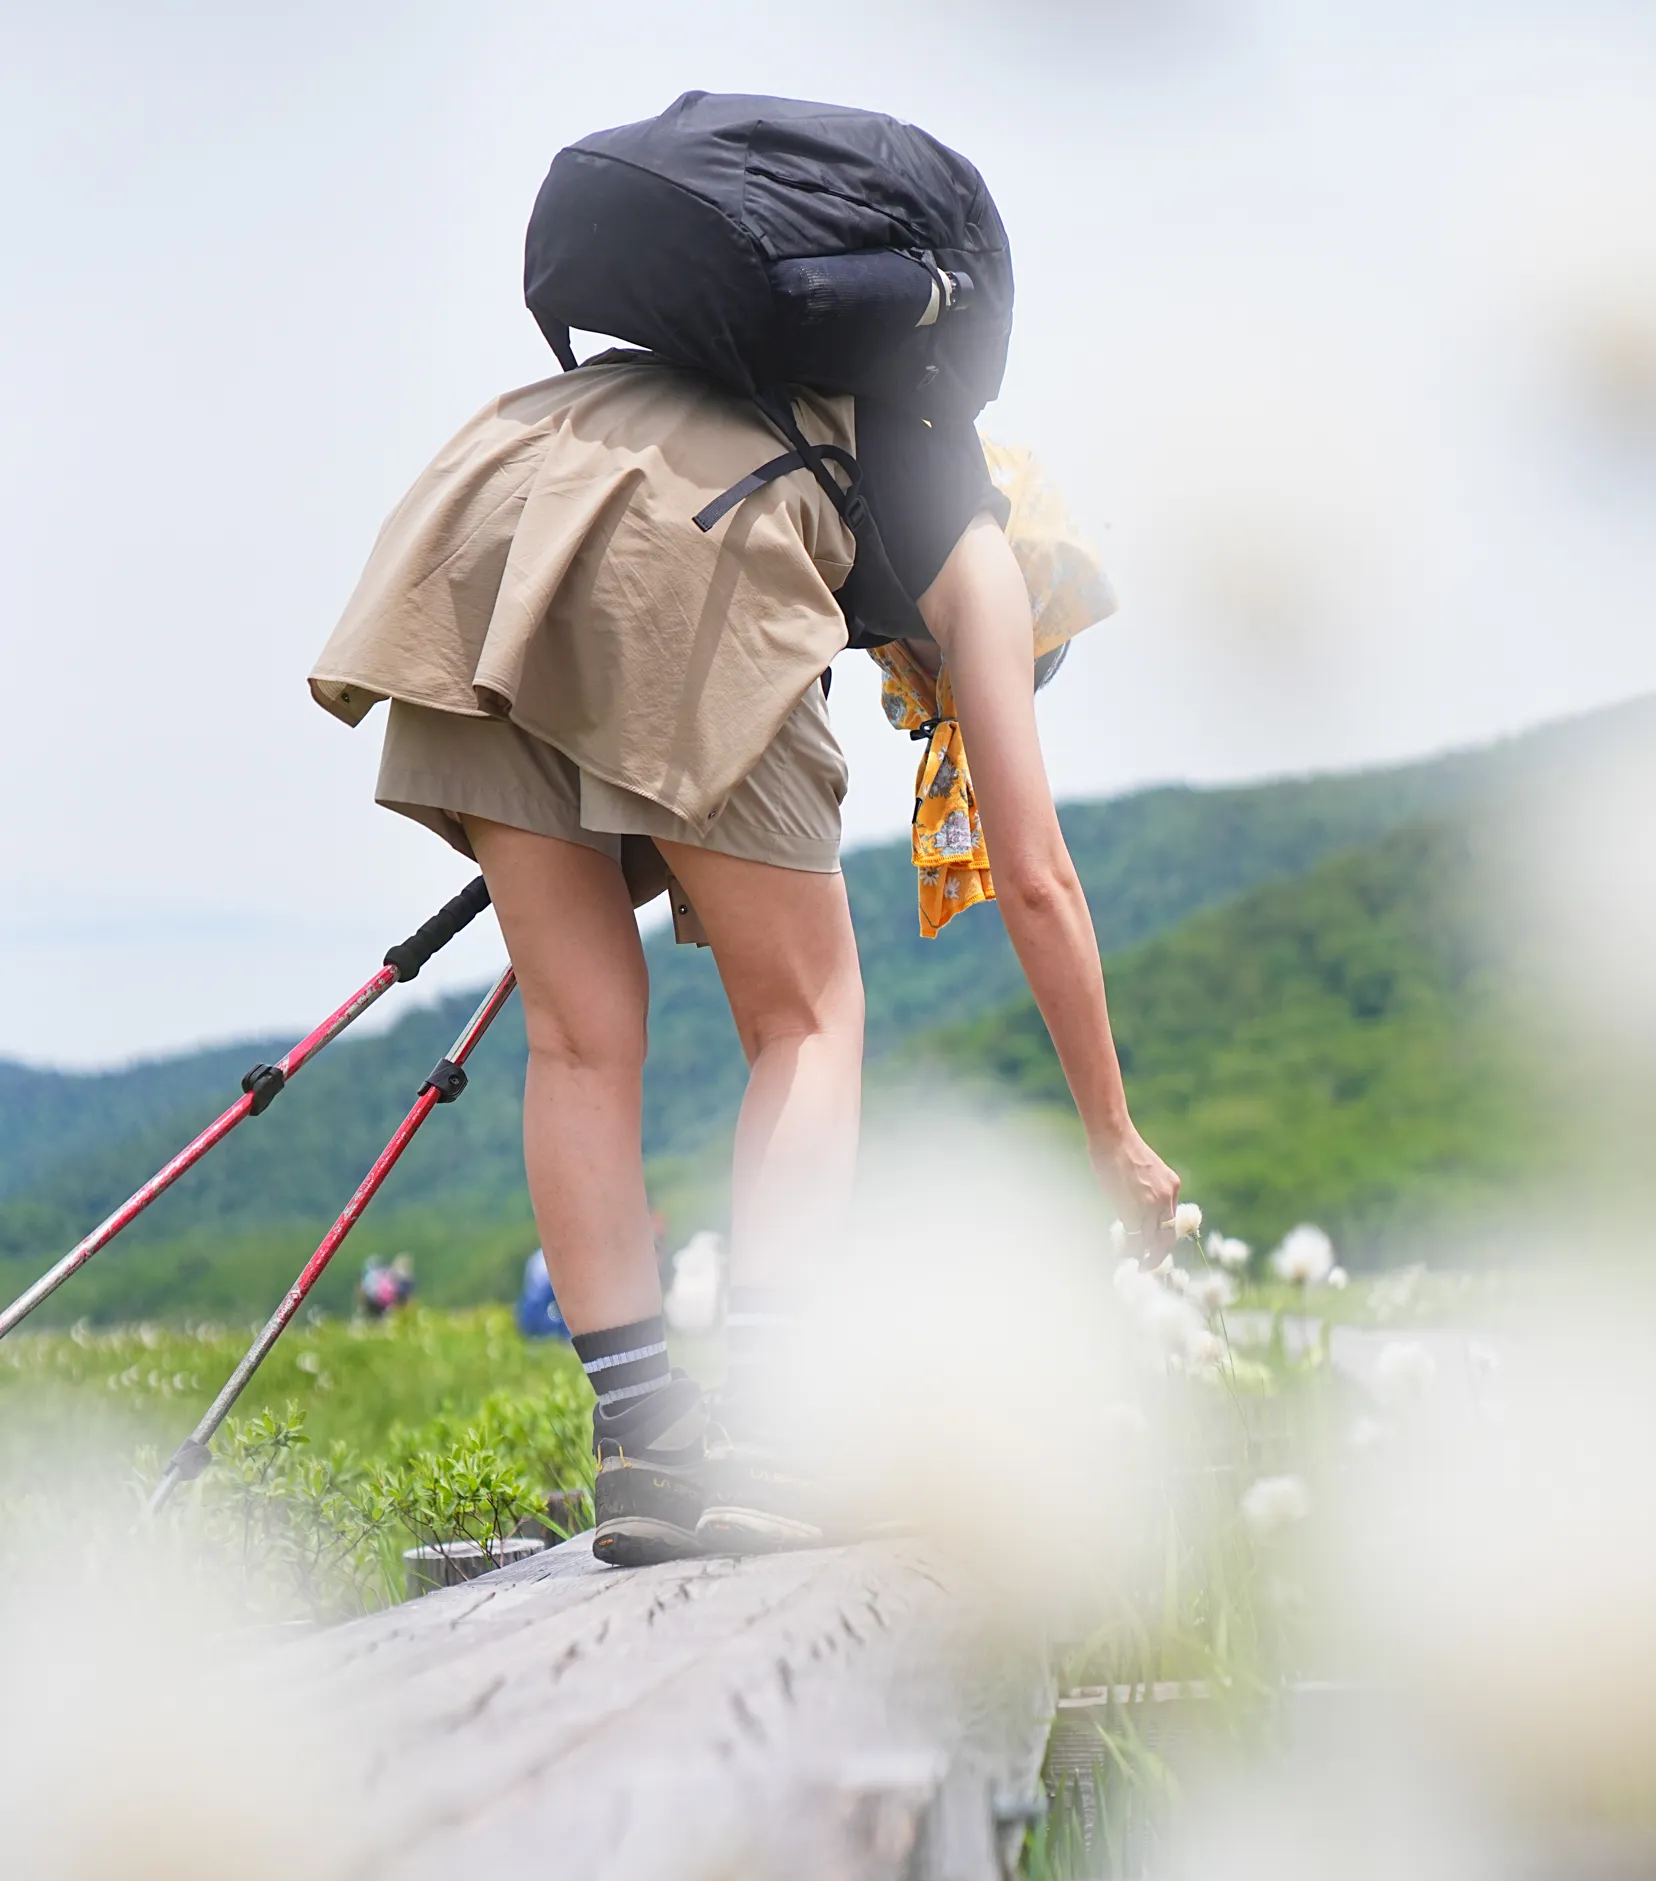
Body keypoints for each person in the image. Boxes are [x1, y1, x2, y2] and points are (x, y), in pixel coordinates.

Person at [310, 196, 1179, 1568]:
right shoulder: (987, 550)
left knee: (578, 1040)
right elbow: (1038, 879)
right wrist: (1114, 1133)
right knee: (810, 1019)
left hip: (495, 507)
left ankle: (647, 1455)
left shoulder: (810, 420)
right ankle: (774, 1451)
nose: (920, 693)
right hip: (683, 533)